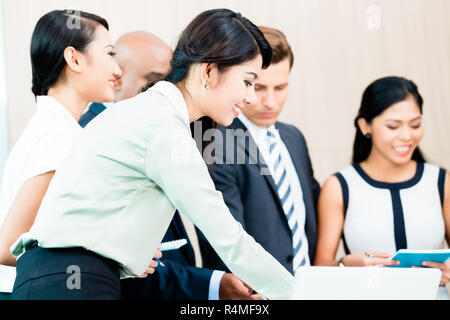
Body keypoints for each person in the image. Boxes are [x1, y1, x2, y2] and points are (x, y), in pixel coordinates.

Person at [11, 8, 294, 300]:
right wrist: (300, 294)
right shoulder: (164, 127)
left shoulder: (148, 112)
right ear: (208, 71)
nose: (250, 96)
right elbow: (229, 239)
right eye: (247, 81)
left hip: (54, 279)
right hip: (73, 285)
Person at [80, 30, 260, 300]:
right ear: (116, 79)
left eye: (171, 80)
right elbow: (110, 259)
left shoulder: (166, 134)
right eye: (154, 82)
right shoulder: (91, 138)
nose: (167, 92)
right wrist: (212, 285)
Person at [0, 9, 135, 299]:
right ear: (74, 59)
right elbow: (8, 243)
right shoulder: (59, 136)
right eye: (110, 54)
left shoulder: (54, 129)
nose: (118, 70)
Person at [198, 26, 320, 275]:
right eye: (260, 88)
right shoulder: (215, 141)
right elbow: (226, 246)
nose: (271, 102)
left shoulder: (294, 138)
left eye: (281, 87)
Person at [314, 76, 450, 299]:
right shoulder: (339, 186)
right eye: (393, 126)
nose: (407, 136)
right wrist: (344, 265)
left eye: (415, 125)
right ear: (365, 126)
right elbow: (319, 270)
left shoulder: (441, 181)